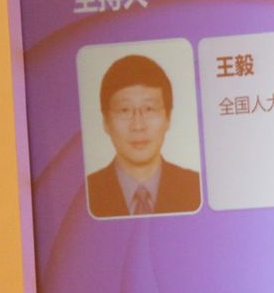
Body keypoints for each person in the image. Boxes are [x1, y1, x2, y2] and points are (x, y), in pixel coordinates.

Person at [86, 54, 201, 218]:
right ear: (106, 121)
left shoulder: (194, 187)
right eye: (124, 110)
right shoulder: (86, 193)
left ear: (168, 118)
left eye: (149, 109)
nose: (138, 126)